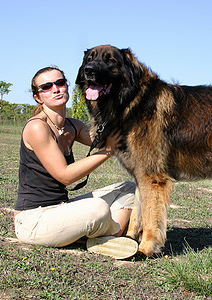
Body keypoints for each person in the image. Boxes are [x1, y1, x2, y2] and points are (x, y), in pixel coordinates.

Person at [14, 66, 138, 259]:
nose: (56, 89)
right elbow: (65, 176)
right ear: (38, 97)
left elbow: (112, 139)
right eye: (46, 87)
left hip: (61, 208)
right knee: (97, 209)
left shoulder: (73, 126)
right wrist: (107, 151)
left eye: (60, 83)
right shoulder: (37, 127)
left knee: (129, 188)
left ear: (67, 87)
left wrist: (112, 102)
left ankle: (103, 235)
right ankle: (111, 234)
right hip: (33, 220)